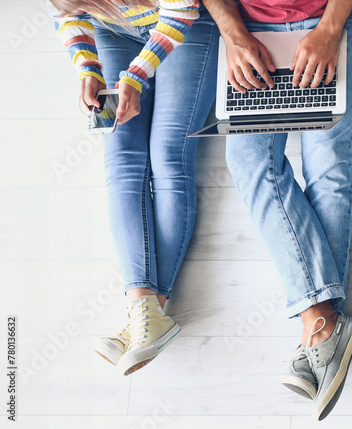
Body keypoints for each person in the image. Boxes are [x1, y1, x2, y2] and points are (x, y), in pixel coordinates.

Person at [202, 0, 352, 420]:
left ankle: (316, 332)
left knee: (328, 164)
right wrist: (232, 32)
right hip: (251, 31)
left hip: (336, 17)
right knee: (248, 161)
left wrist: (331, 30)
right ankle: (324, 324)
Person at [53, 0, 219, 375]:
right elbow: (67, 13)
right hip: (114, 29)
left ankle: (145, 317)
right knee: (121, 158)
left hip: (187, 21)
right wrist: (87, 67)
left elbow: (183, 10)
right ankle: (144, 309)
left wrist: (135, 77)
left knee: (168, 155)